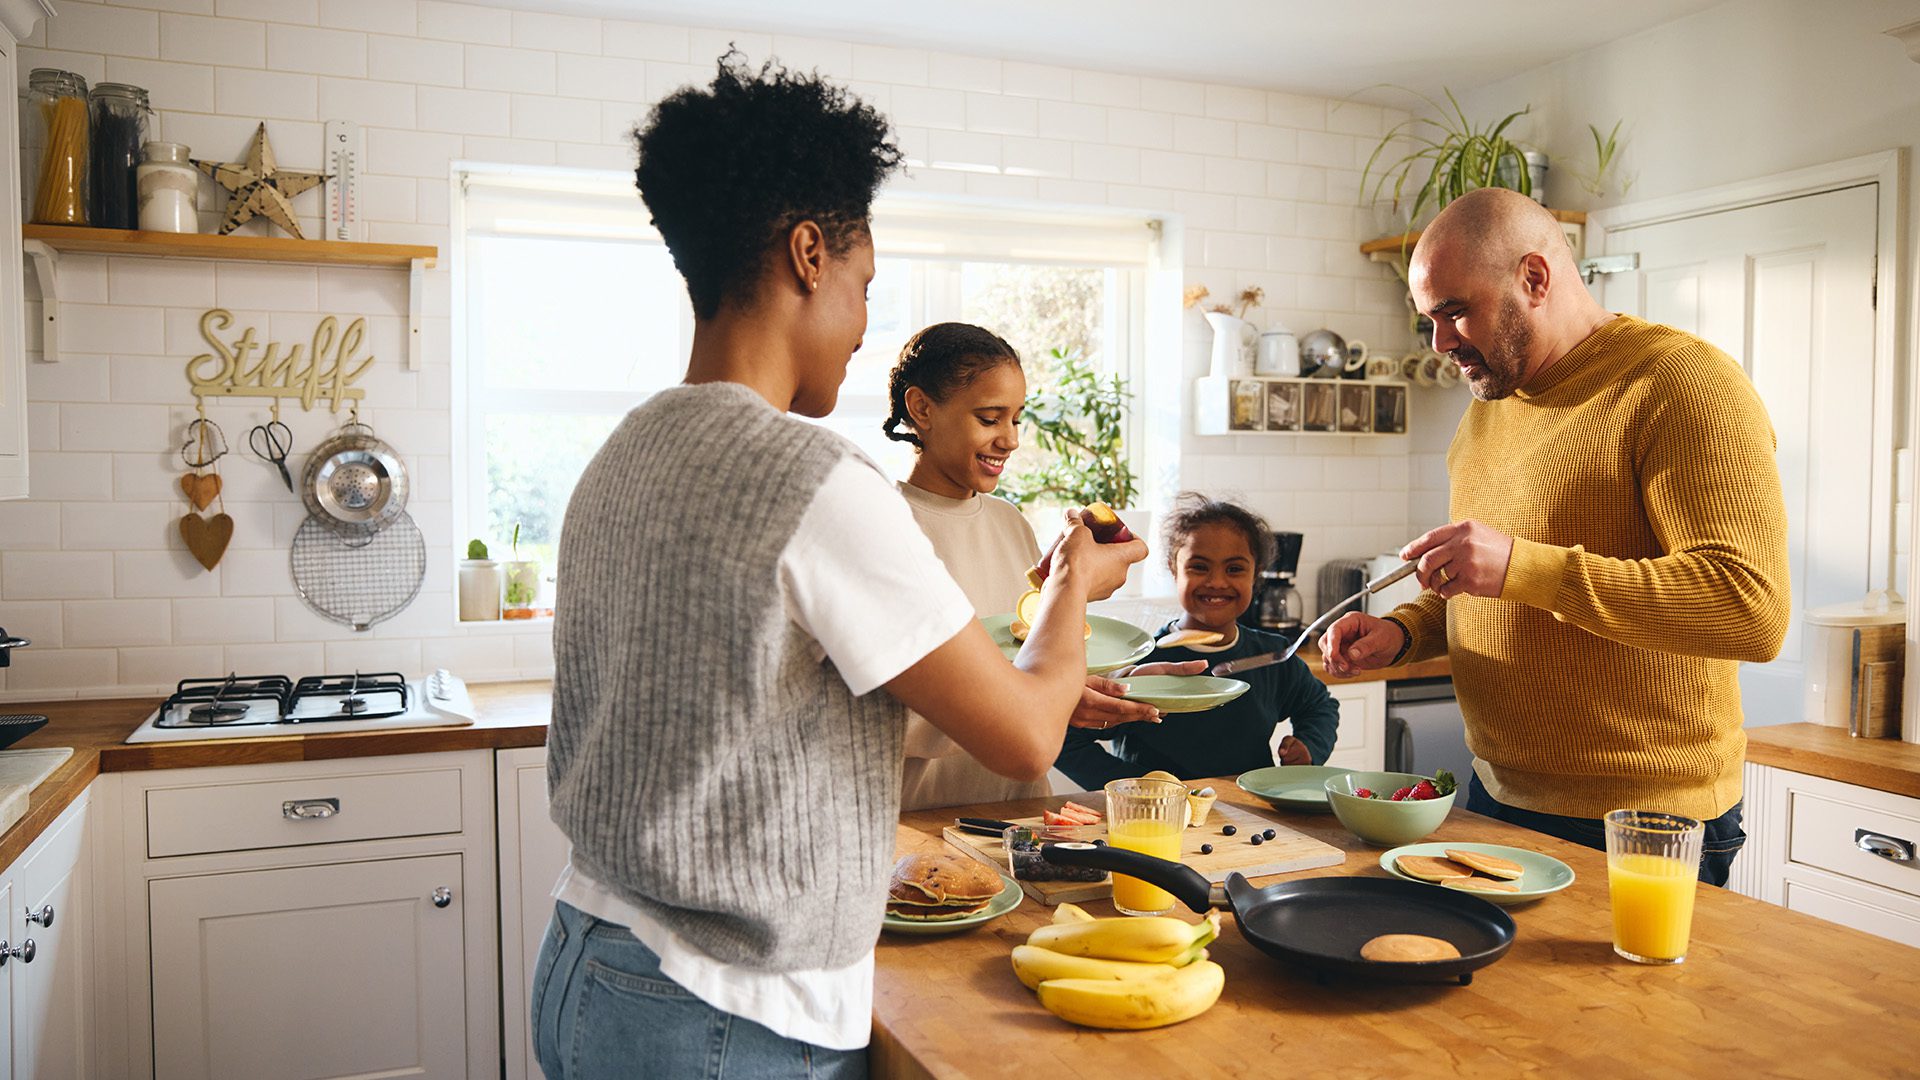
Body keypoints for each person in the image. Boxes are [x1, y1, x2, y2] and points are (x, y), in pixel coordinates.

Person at [534, 55, 1147, 1080]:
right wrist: (1076, 582)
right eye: (864, 284)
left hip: (590, 962)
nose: (865, 326)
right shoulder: (814, 478)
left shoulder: (627, 449)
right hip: (722, 1016)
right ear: (809, 254)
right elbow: (1022, 732)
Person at [1319, 187, 1789, 887]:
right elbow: (1487, 587)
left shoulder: (1680, 383)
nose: (1443, 343)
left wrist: (1520, 565)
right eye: (1431, 320)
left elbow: (1750, 610)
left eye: (1455, 311)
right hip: (1498, 798)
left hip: (1642, 820)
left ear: (1533, 278)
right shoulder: (1485, 414)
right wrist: (1407, 632)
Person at [1056, 494, 1340, 790]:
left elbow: (1319, 706)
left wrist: (1309, 746)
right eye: (1199, 567)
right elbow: (1066, 740)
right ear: (1173, 568)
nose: (1217, 582)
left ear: (1256, 573)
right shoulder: (1139, 664)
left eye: (1234, 569)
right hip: (1157, 821)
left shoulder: (1274, 656)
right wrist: (1131, 786)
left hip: (1253, 816)